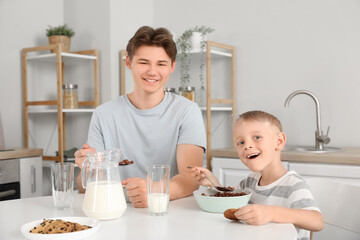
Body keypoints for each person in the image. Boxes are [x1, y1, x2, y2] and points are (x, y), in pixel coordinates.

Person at [75, 26, 206, 208]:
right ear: (129, 62)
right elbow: (84, 186)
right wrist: (87, 168)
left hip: (167, 210)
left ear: (172, 67)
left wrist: (155, 191)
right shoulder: (103, 114)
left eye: (161, 64)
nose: (152, 71)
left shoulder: (187, 111)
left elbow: (191, 178)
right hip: (114, 210)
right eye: (144, 62)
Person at [190, 110, 323, 240]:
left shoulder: (293, 185)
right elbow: (231, 202)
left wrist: (271, 213)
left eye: (257, 137)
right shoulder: (249, 182)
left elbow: (316, 221)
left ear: (279, 141)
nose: (247, 146)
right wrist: (214, 183)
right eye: (241, 142)